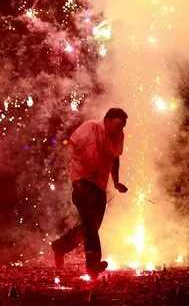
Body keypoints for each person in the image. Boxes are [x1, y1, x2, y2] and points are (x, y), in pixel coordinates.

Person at [51, 107, 129, 279]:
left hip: (100, 186)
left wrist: (116, 183)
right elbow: (70, 145)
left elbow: (115, 158)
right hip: (82, 181)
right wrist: (75, 163)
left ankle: (60, 247)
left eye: (123, 126)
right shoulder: (91, 127)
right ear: (108, 120)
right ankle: (92, 267)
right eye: (118, 125)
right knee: (90, 224)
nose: (120, 129)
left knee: (92, 226)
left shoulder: (118, 136)